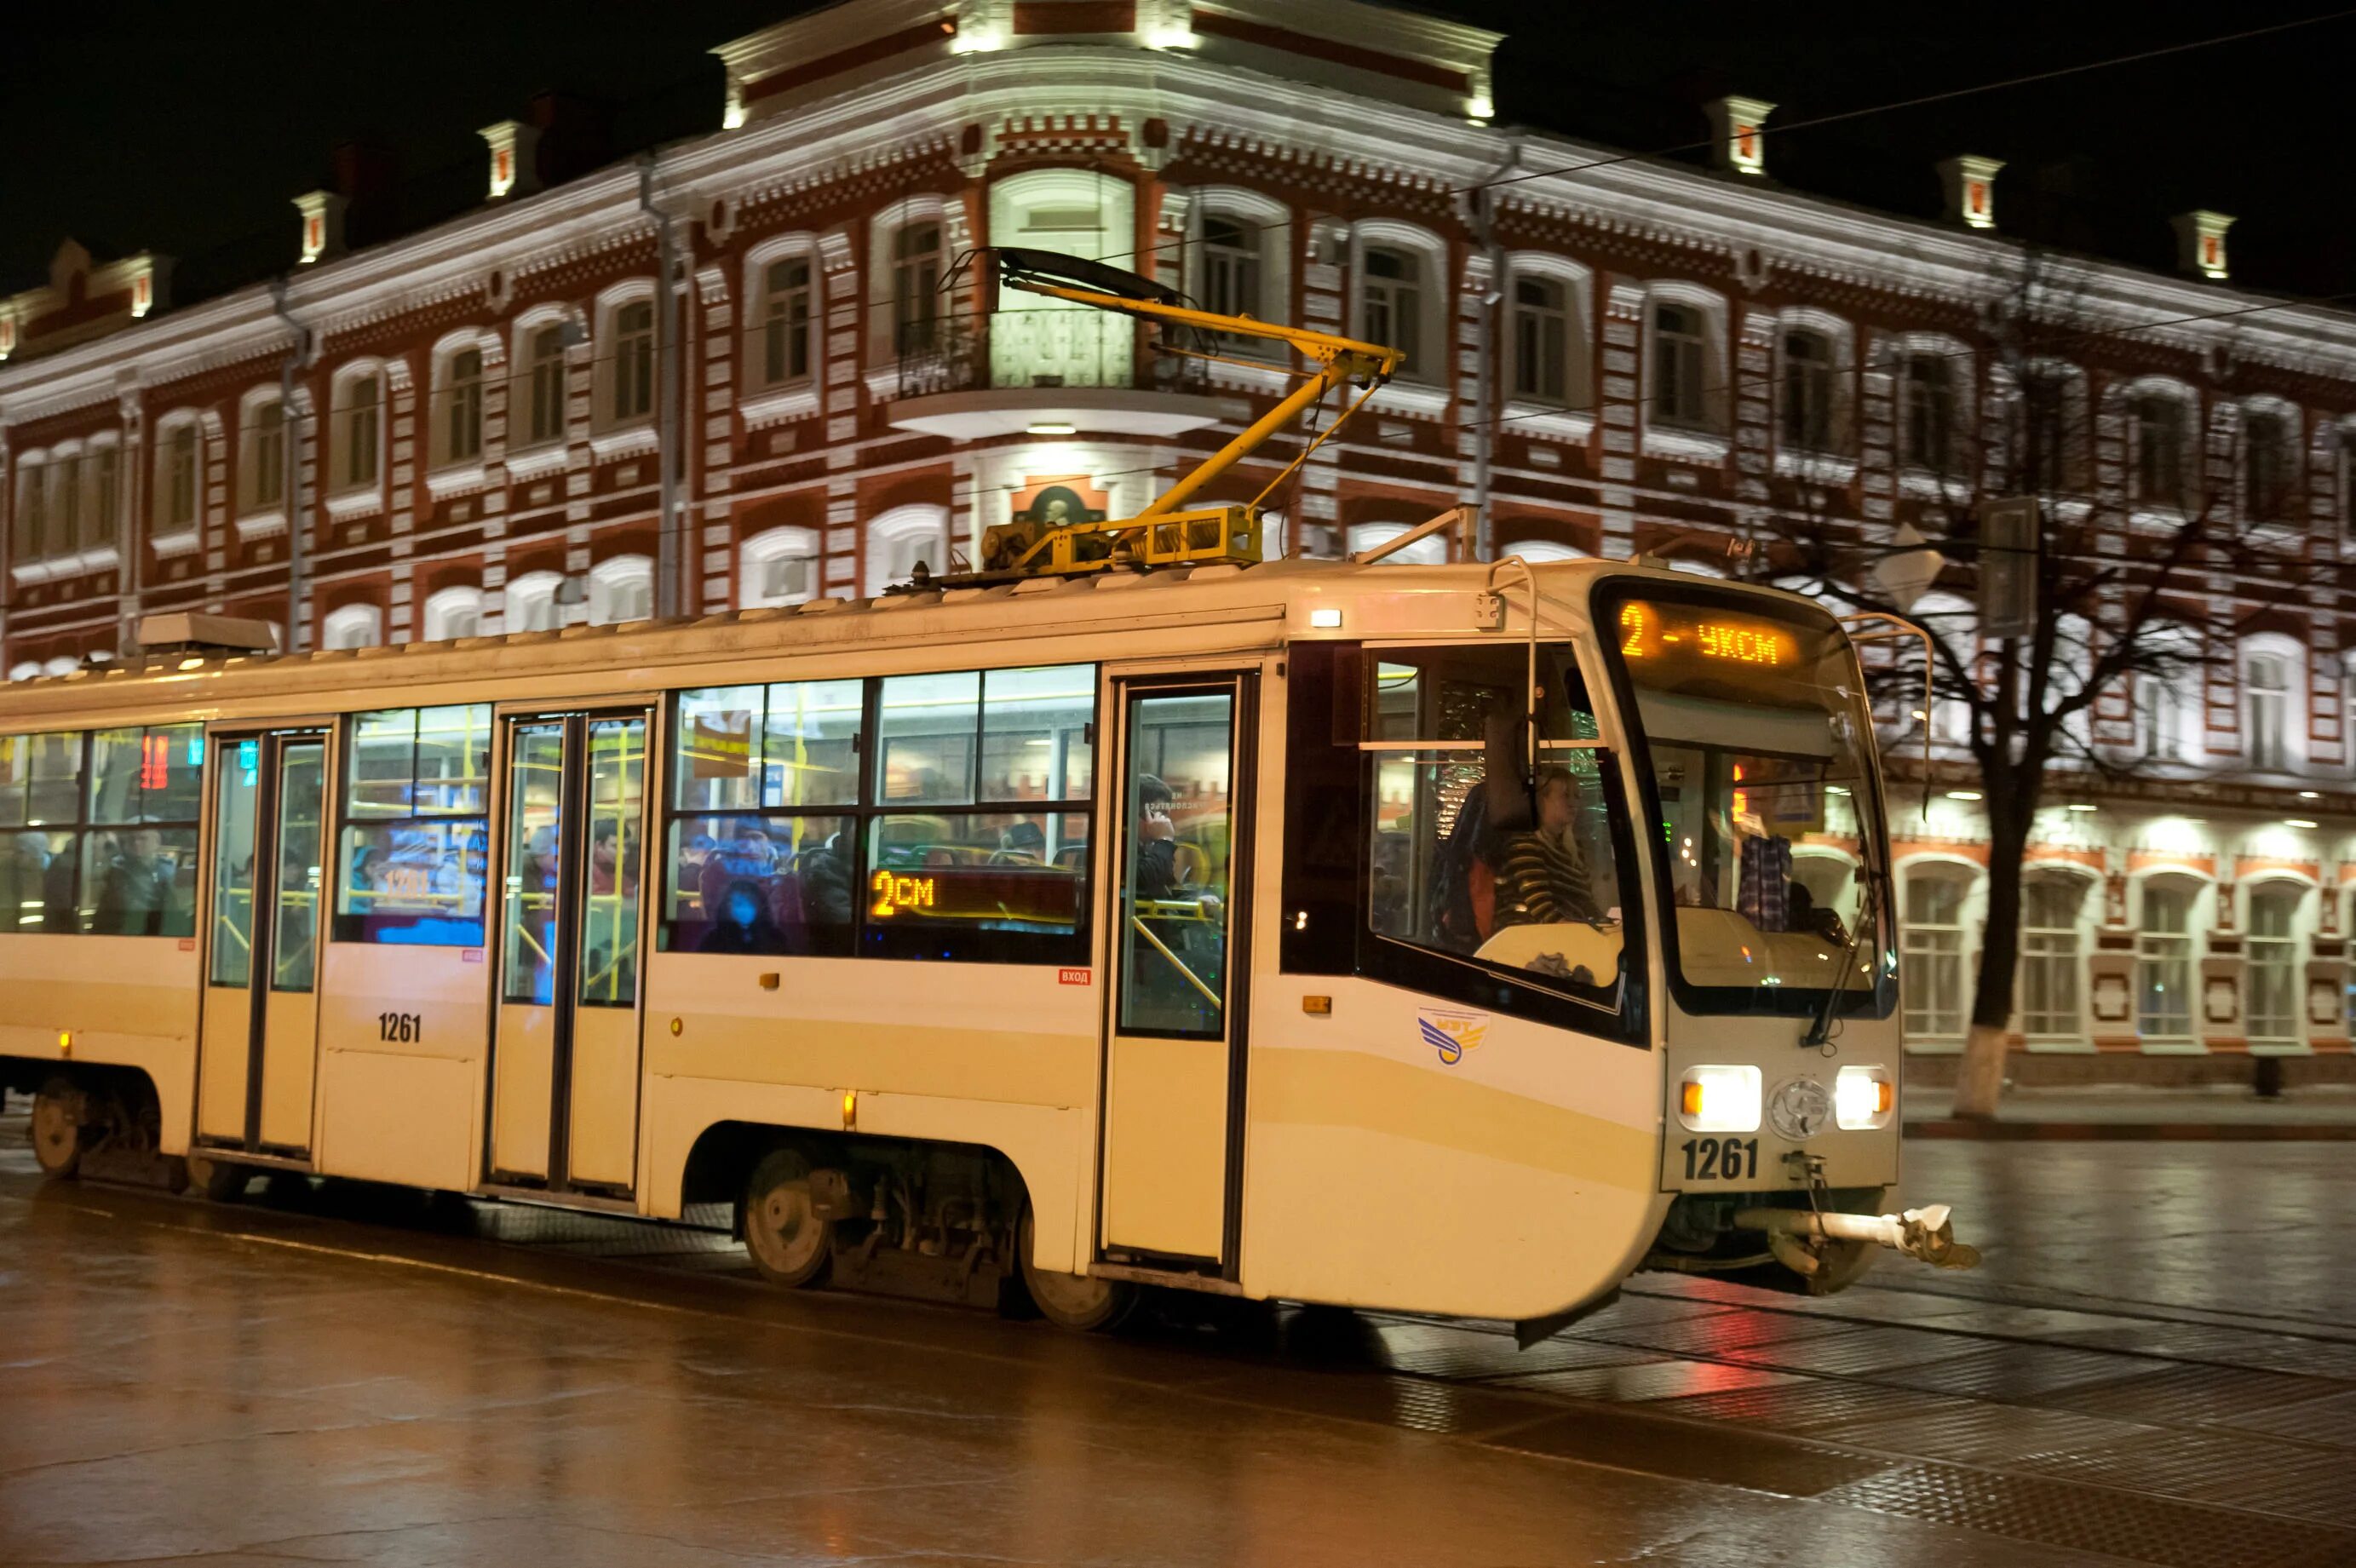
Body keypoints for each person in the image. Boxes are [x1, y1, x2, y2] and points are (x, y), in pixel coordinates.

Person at [1493, 767, 1601, 928]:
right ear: (1542, 800)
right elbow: (1540, 907)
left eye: (1577, 796)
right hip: (1528, 940)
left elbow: (1587, 904)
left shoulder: (1573, 850)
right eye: (1565, 796)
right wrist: (1583, 933)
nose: (1573, 803)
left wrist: (1604, 924)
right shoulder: (1525, 845)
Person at [698, 877, 789, 955]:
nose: (744, 909)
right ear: (727, 906)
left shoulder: (776, 937)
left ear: (760, 905)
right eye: (739, 904)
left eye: (750, 903)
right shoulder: (713, 939)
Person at [1132, 773, 1180, 900]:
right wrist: (1164, 840)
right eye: (1159, 814)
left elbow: (1168, 888)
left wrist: (1199, 898)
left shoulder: (1149, 847)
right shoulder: (1119, 845)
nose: (1164, 821)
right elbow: (1146, 882)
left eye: (1165, 815)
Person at [1, 831, 48, 933]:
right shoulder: (7, 870)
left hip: (44, 931)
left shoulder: (58, 871)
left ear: (35, 852)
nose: (15, 856)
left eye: (21, 851)